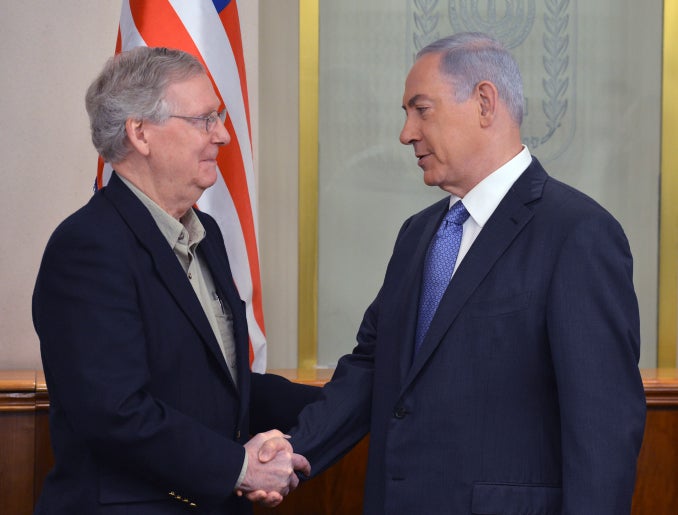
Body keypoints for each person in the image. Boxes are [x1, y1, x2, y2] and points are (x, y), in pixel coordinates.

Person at [281, 32, 647, 514]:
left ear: (484, 102)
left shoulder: (578, 234)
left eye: (421, 109)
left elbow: (603, 432)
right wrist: (291, 454)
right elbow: (374, 367)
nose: (406, 132)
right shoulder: (417, 234)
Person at [32, 46, 320, 514]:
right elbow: (114, 411)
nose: (224, 135)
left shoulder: (209, 237)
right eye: (205, 119)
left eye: (220, 117)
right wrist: (239, 468)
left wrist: (346, 404)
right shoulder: (87, 248)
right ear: (140, 133)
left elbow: (219, 387)